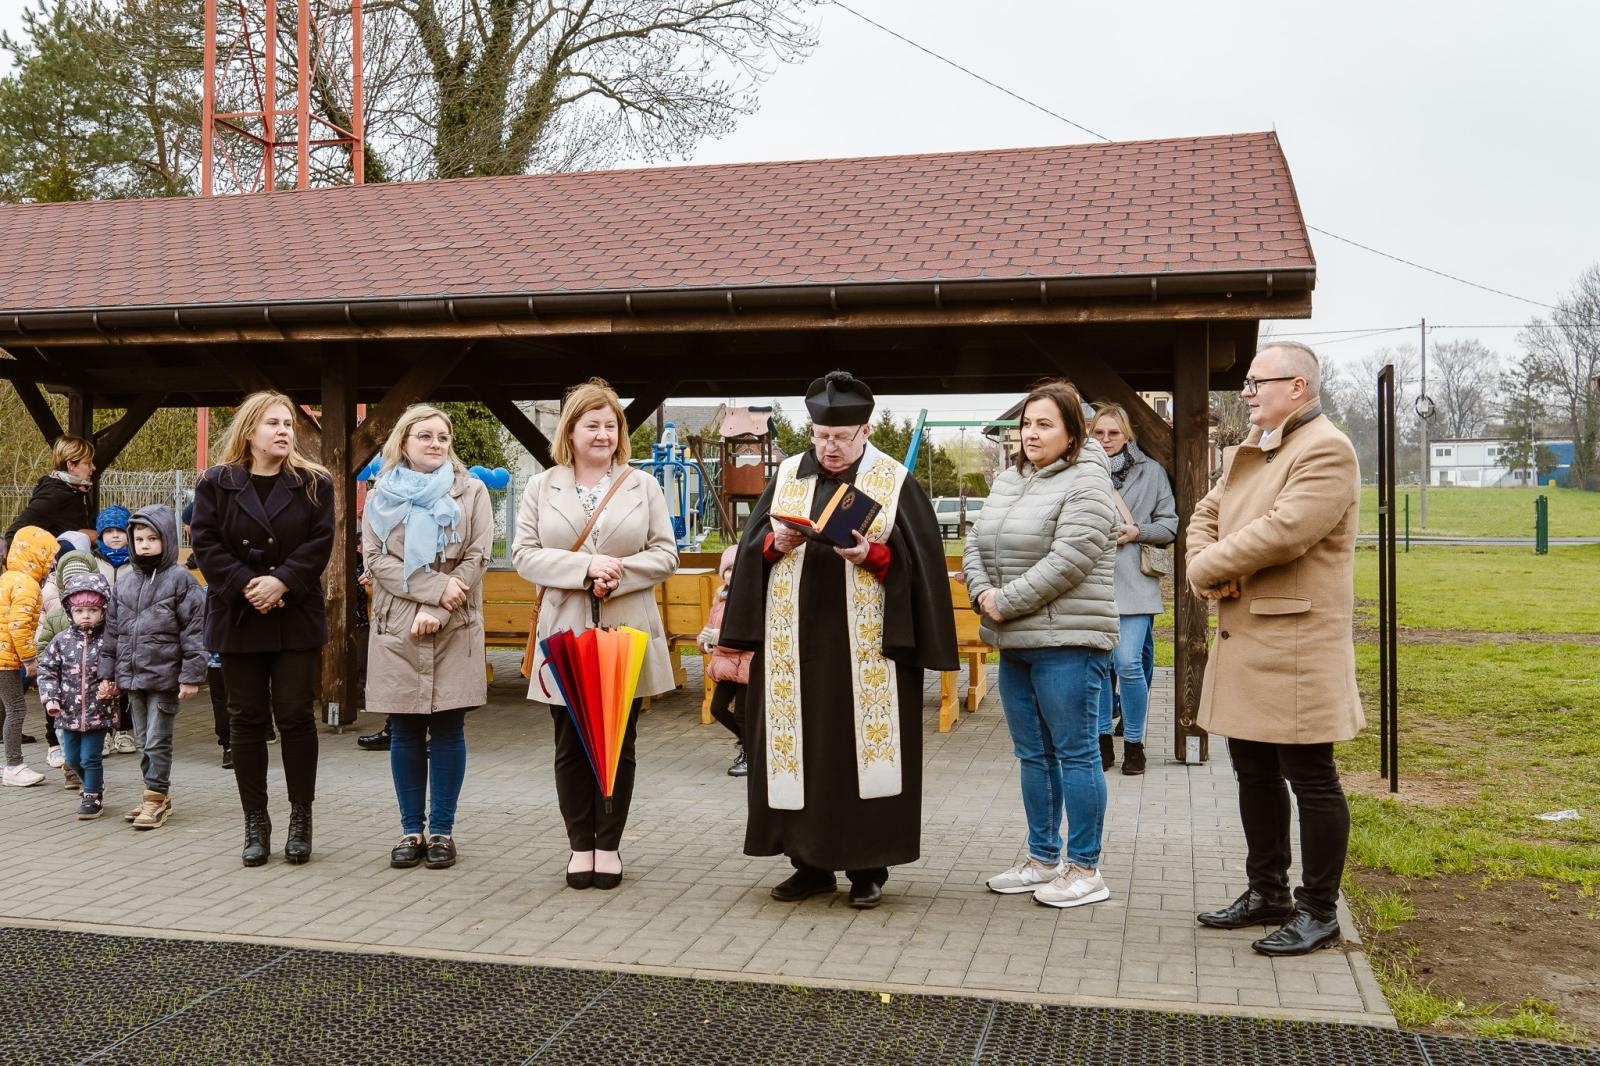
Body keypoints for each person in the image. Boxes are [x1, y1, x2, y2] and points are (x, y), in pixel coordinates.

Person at [722, 370, 957, 910]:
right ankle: (807, 864)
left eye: (842, 437)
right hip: (792, 650)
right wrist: (772, 544)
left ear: (865, 430)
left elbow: (921, 571)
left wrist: (872, 556)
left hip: (869, 650)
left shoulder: (892, 480)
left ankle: (868, 867)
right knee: (798, 752)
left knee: (860, 756)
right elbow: (751, 550)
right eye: (821, 436)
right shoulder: (786, 477)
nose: (830, 448)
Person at [1187, 341, 1363, 958]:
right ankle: (1268, 893)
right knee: (1252, 771)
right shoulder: (1253, 450)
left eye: (1259, 382)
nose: (1248, 392)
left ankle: (1319, 911)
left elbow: (1283, 532)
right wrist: (1203, 566)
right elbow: (1205, 515)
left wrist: (1205, 567)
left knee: (1311, 778)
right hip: (1248, 641)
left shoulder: (1327, 449)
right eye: (1249, 384)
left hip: (1295, 647)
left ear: (1300, 387)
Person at [512, 379, 678, 891]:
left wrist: (617, 572)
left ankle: (609, 845)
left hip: (625, 630)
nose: (603, 434)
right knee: (570, 745)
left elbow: (665, 553)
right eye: (593, 425)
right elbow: (523, 554)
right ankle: (578, 844)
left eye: (611, 425)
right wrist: (586, 567)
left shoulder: (642, 485)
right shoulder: (543, 486)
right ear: (571, 430)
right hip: (566, 631)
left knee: (618, 743)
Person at [963, 379, 1119, 909]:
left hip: (1069, 642)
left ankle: (1085, 868)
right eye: (1027, 423)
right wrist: (982, 590)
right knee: (1033, 754)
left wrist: (1005, 601)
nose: (1031, 433)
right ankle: (1042, 858)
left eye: (1045, 424)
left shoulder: (1089, 484)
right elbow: (974, 540)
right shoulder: (1010, 480)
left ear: (1073, 433)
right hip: (1016, 640)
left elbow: (1069, 560)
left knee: (1075, 755)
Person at [191, 391, 335, 867]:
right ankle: (255, 820)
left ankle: (300, 817)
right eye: (273, 423)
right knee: (246, 720)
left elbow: (321, 541)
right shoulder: (216, 483)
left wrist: (282, 581)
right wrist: (246, 584)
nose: (283, 431)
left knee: (295, 716)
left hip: (294, 614)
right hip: (239, 615)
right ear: (249, 430)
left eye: (288, 424)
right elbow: (206, 542)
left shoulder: (314, 483)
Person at [364, 405, 493, 872]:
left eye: (442, 436)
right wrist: (432, 588)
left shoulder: (472, 491)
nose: (435, 443)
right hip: (397, 624)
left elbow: (477, 557)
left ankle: (441, 830)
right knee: (405, 730)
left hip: (454, 623)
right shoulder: (381, 494)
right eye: (425, 436)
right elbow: (375, 560)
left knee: (448, 729)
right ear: (404, 441)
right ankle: (410, 829)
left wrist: (438, 608)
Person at [106, 505, 207, 830]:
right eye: (139, 538)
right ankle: (156, 794)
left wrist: (191, 675)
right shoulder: (124, 583)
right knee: (142, 739)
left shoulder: (180, 581)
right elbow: (111, 632)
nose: (145, 544)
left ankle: (154, 799)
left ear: (167, 539)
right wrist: (106, 674)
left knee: (156, 740)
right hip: (133, 678)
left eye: (152, 538)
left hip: (165, 677)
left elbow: (195, 631)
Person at [1089, 403, 1177, 777]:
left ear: (1127, 435)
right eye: (1099, 433)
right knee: (1097, 667)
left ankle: (1135, 743)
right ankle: (1102, 739)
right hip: (1092, 582)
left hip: (1136, 584)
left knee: (1127, 663)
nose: (1106, 440)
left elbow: (1170, 526)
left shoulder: (1151, 472)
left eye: (1113, 433)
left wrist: (1137, 531)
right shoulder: (1081, 473)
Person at [37, 573, 118, 820]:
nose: (86, 615)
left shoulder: (109, 642)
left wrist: (115, 688)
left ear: (103, 611)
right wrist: (50, 699)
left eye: (92, 610)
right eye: (80, 610)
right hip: (66, 713)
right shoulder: (61, 642)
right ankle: (93, 785)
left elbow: (121, 669)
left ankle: (92, 795)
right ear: (69, 611)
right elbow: (47, 670)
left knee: (90, 756)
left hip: (98, 711)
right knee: (71, 758)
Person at [0, 526, 56, 787]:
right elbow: (19, 625)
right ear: (36, 555)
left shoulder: (7, 577)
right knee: (16, 709)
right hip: (6, 659)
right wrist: (29, 660)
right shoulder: (28, 584)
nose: (53, 561)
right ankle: (14, 765)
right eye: (49, 555)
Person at [697, 544, 751, 777]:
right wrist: (705, 641)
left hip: (745, 665)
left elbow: (747, 636)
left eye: (736, 570)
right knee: (717, 707)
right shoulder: (720, 600)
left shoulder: (748, 599)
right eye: (727, 570)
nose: (731, 575)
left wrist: (722, 638)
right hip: (726, 664)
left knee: (742, 713)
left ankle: (750, 755)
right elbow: (709, 627)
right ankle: (749, 742)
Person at [93, 506, 140, 757]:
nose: (114, 536)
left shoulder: (136, 562)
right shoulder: (94, 560)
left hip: (127, 629)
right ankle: (103, 732)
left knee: (125, 681)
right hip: (100, 629)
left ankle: (123, 730)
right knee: (101, 680)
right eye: (108, 531)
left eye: (120, 531)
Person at [4, 435, 97, 545]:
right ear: (71, 465)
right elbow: (15, 533)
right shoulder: (54, 494)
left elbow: (66, 528)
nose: (94, 467)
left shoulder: (76, 491)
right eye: (87, 463)